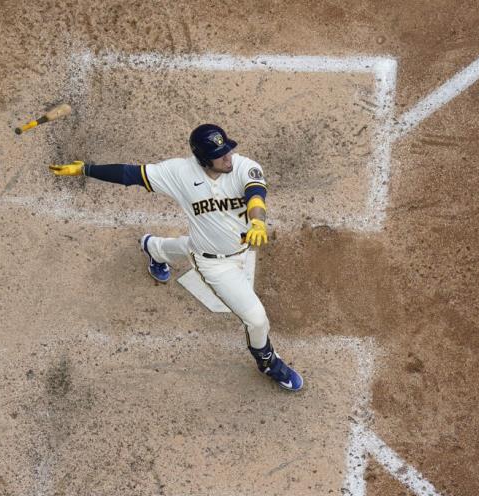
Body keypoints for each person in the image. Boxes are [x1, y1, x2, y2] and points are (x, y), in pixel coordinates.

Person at [48, 124, 304, 391]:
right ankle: (268, 363)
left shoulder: (243, 166)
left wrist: (258, 223)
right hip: (215, 264)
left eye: (228, 149)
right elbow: (130, 174)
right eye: (220, 154)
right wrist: (85, 169)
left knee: (190, 245)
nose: (228, 157)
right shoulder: (179, 173)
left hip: (222, 243)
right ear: (203, 159)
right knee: (256, 318)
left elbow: (255, 195)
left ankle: (153, 247)